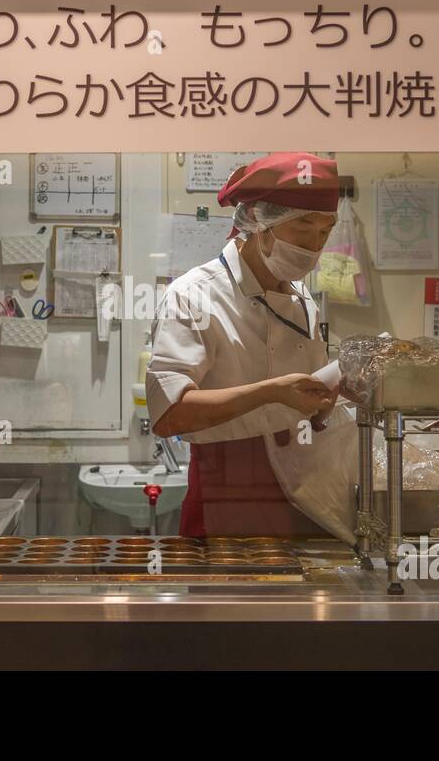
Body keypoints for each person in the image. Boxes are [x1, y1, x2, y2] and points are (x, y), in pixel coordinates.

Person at [146, 152, 342, 537]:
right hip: (225, 484)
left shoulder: (304, 300)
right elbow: (169, 416)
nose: (314, 246)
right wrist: (271, 392)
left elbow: (306, 406)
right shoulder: (194, 296)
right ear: (258, 222)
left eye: (325, 231)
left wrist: (327, 400)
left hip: (303, 483)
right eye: (303, 228)